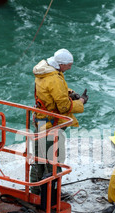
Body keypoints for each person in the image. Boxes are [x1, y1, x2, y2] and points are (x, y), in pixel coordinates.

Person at [30, 49, 88, 194]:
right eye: (69, 65)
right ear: (61, 64)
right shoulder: (54, 78)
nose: (70, 67)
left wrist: (70, 93)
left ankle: (35, 191)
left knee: (39, 157)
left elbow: (53, 90)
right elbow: (63, 107)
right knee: (54, 159)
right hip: (52, 124)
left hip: (41, 120)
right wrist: (80, 101)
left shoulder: (46, 70)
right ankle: (53, 195)